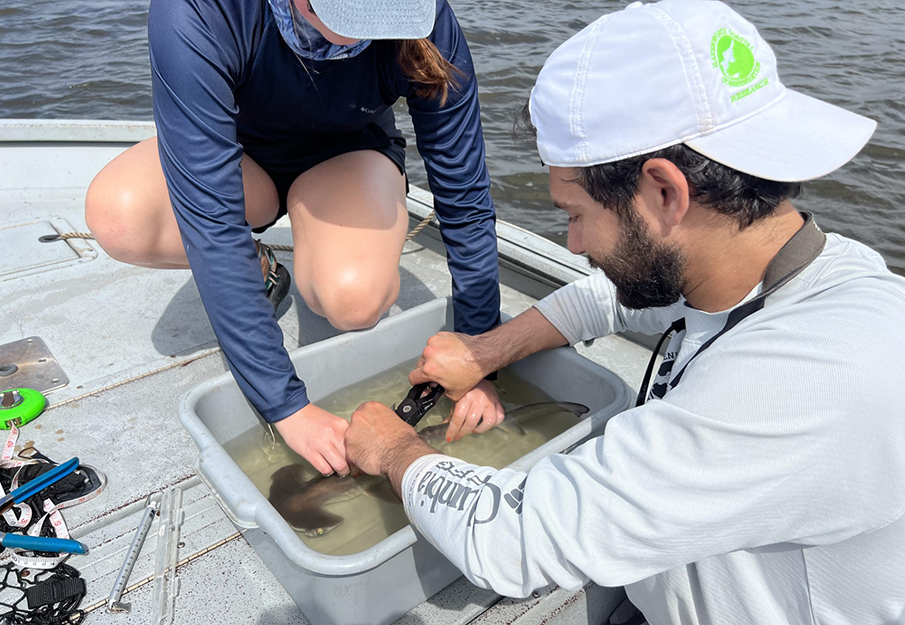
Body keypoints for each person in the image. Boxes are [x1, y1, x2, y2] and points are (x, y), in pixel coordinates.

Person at [343, 1, 905, 622]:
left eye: (575, 214)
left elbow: (517, 540)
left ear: (665, 191)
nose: (572, 245)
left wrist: (393, 449)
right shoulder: (781, 264)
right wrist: (484, 351)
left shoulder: (803, 381)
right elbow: (607, 295)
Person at [84, 0, 505, 475]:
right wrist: (286, 406)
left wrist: (479, 357)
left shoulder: (426, 17)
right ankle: (259, 266)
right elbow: (211, 220)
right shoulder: (200, 10)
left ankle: (320, 240)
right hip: (238, 162)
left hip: (348, 157)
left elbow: (464, 198)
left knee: (354, 301)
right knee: (119, 218)